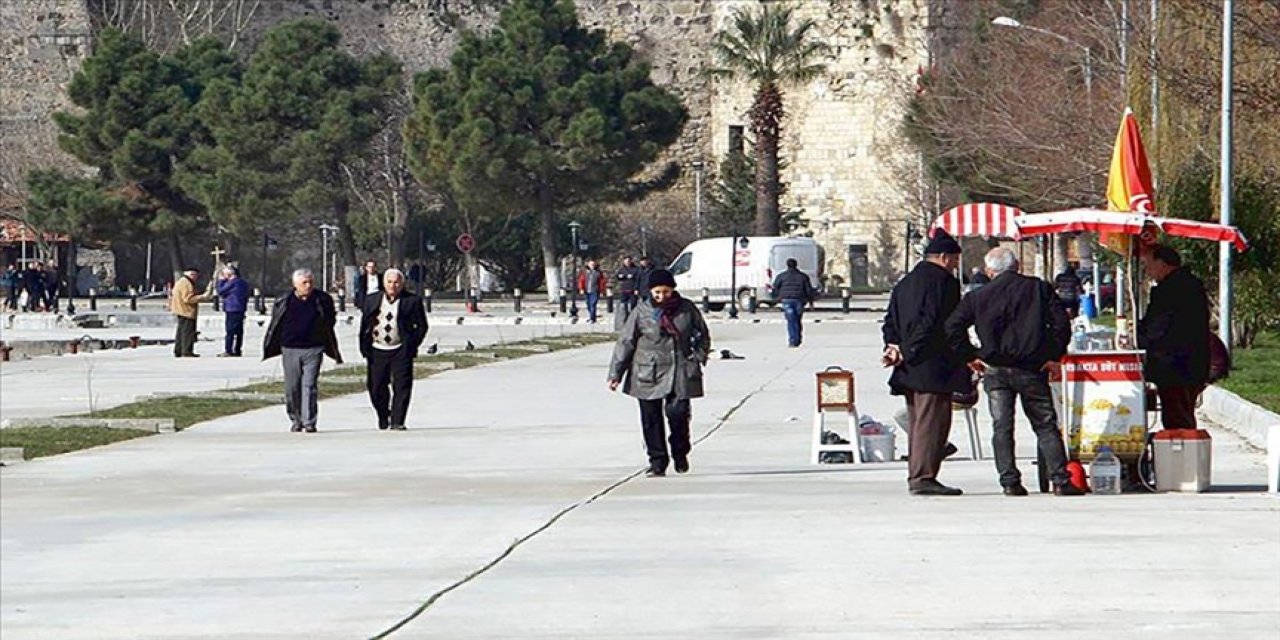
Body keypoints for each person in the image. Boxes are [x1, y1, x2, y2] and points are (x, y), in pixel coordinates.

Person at [945, 247, 1083, 496]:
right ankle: (1061, 480)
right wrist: (1052, 355)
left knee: (1002, 426)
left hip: (996, 368)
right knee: (1045, 425)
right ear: (1017, 265)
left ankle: (1009, 481)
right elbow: (1061, 323)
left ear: (989, 270)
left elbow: (953, 327)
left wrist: (971, 356)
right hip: (1032, 367)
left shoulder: (978, 296)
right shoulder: (1038, 289)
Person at [880, 229, 969, 496]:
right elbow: (933, 321)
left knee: (919, 422)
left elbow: (890, 320)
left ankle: (919, 473)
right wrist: (911, 350)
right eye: (954, 260)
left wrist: (893, 346)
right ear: (943, 257)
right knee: (933, 423)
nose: (955, 266)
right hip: (932, 364)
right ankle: (923, 477)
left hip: (908, 366)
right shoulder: (944, 283)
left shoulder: (905, 282)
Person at [608, 268, 711, 478]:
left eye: (665, 292)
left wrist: (699, 355)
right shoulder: (641, 311)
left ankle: (680, 452)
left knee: (679, 414)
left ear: (672, 290)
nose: (661, 297)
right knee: (651, 419)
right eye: (657, 293)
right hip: (647, 370)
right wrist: (615, 373)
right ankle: (657, 462)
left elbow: (702, 334)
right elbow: (626, 341)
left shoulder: (686, 309)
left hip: (680, 368)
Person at [1138, 245, 1210, 430]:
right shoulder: (1191, 284)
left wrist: (1140, 336)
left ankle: (1180, 452)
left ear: (1162, 263)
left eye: (1148, 265)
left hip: (1175, 364)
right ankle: (1181, 449)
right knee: (1180, 413)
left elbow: (1159, 326)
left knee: (1177, 417)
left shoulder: (1170, 290)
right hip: (1190, 363)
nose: (1147, 271)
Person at [263, 269, 342, 433]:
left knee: (309, 385)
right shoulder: (284, 300)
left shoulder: (322, 299)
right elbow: (276, 323)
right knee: (292, 387)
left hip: (314, 348)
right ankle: (296, 419)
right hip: (290, 348)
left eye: (310, 282)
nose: (308, 285)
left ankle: (309, 421)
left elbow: (330, 320)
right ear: (295, 285)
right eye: (304, 283)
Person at [359, 268, 428, 431]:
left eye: (396, 282)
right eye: (389, 282)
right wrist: (364, 346)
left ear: (402, 284)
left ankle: (398, 420)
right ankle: (384, 415)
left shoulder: (412, 301)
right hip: (377, 349)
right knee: (376, 387)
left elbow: (422, 326)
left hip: (400, 350)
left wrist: (411, 344)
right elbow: (364, 325)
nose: (393, 285)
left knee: (402, 386)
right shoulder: (372, 300)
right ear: (384, 283)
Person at [770, 258, 817, 347]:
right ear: (796, 265)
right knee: (797, 320)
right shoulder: (803, 276)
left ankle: (792, 340)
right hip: (799, 300)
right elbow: (808, 290)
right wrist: (810, 302)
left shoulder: (781, 276)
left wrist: (776, 298)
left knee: (791, 320)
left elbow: (775, 287)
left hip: (786, 300)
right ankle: (798, 338)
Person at [170, 267, 211, 357]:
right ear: (192, 274)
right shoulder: (187, 283)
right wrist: (202, 297)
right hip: (186, 311)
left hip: (180, 310)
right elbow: (188, 298)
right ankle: (187, 351)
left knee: (181, 332)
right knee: (187, 332)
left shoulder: (181, 281)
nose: (196, 278)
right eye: (196, 276)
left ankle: (179, 350)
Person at [215, 266, 251, 357]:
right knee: (239, 330)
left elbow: (220, 291)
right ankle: (237, 349)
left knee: (230, 330)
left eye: (224, 274)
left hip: (232, 308)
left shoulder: (232, 282)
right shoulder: (243, 283)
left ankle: (229, 350)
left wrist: (221, 281)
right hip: (240, 308)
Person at [577, 258, 608, 323]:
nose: (592, 266)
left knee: (593, 304)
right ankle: (592, 317)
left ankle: (592, 318)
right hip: (587, 291)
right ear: (588, 265)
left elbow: (601, 282)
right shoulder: (585, 272)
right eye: (591, 264)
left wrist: (602, 291)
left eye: (593, 265)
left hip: (595, 291)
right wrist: (581, 289)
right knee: (588, 305)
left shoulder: (598, 273)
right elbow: (581, 281)